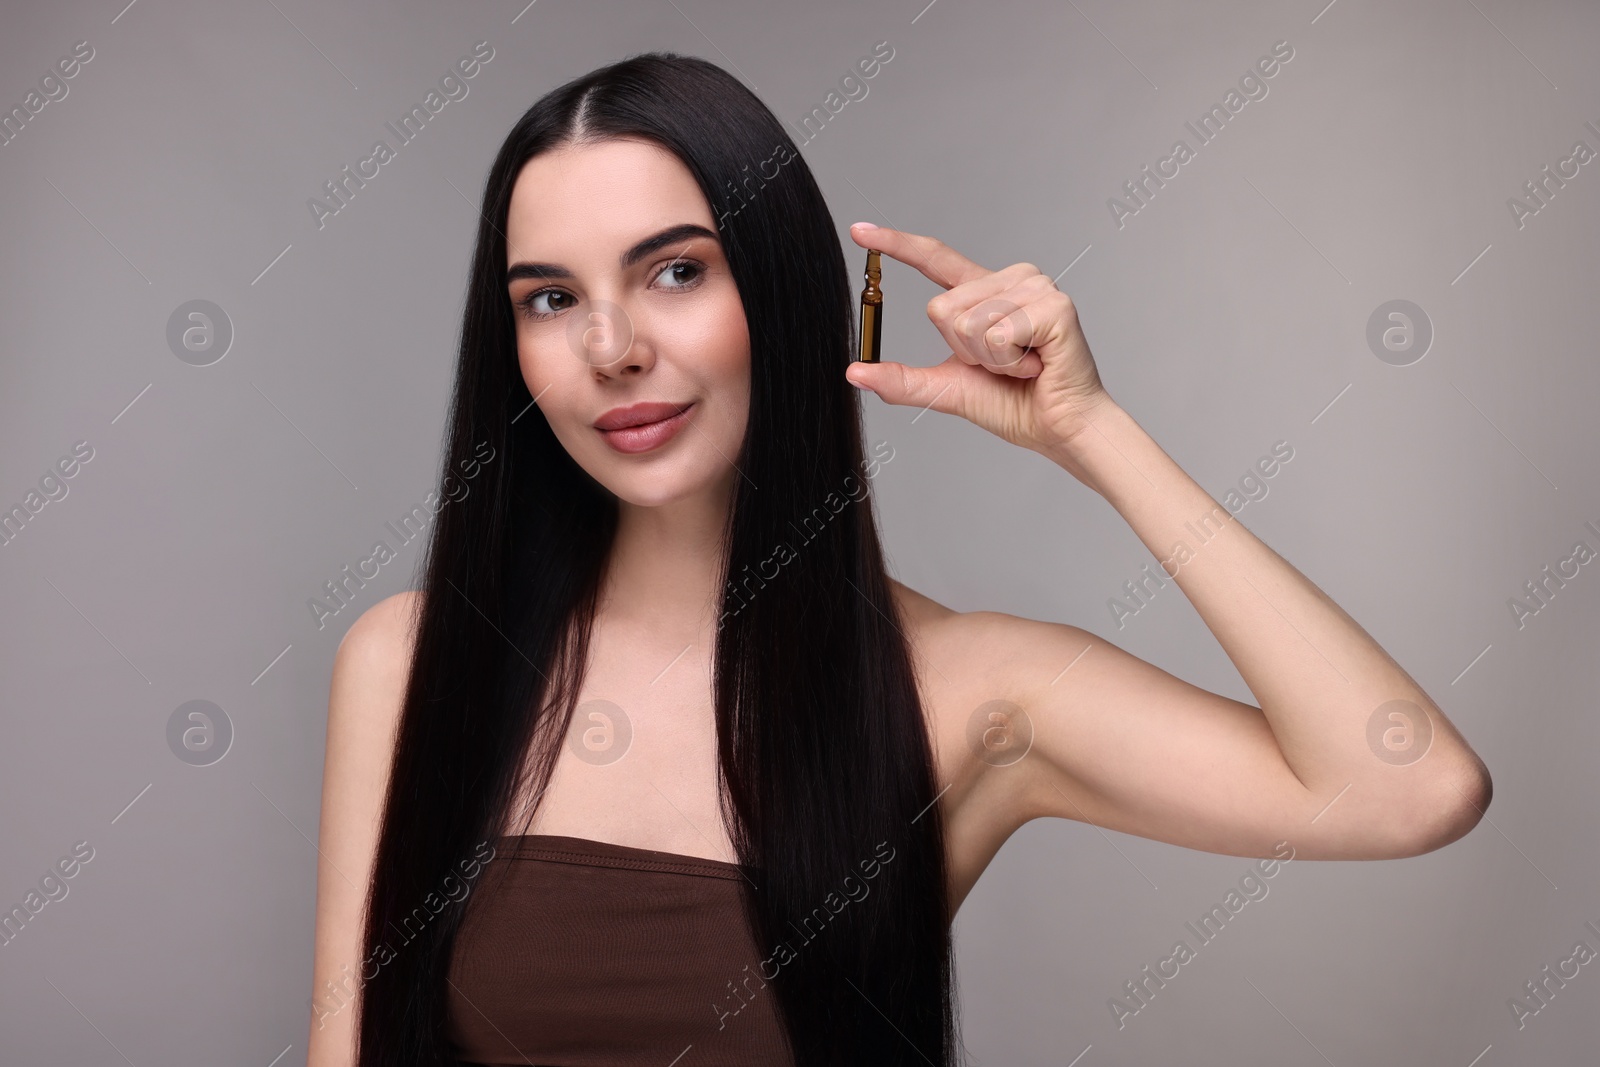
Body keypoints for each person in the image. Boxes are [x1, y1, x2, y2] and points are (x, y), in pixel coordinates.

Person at [305, 50, 1491, 1067]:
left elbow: (1409, 785)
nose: (610, 347)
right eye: (551, 297)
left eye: (676, 270)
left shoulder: (968, 694)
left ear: (781, 286)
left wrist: (1095, 434)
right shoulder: (410, 660)